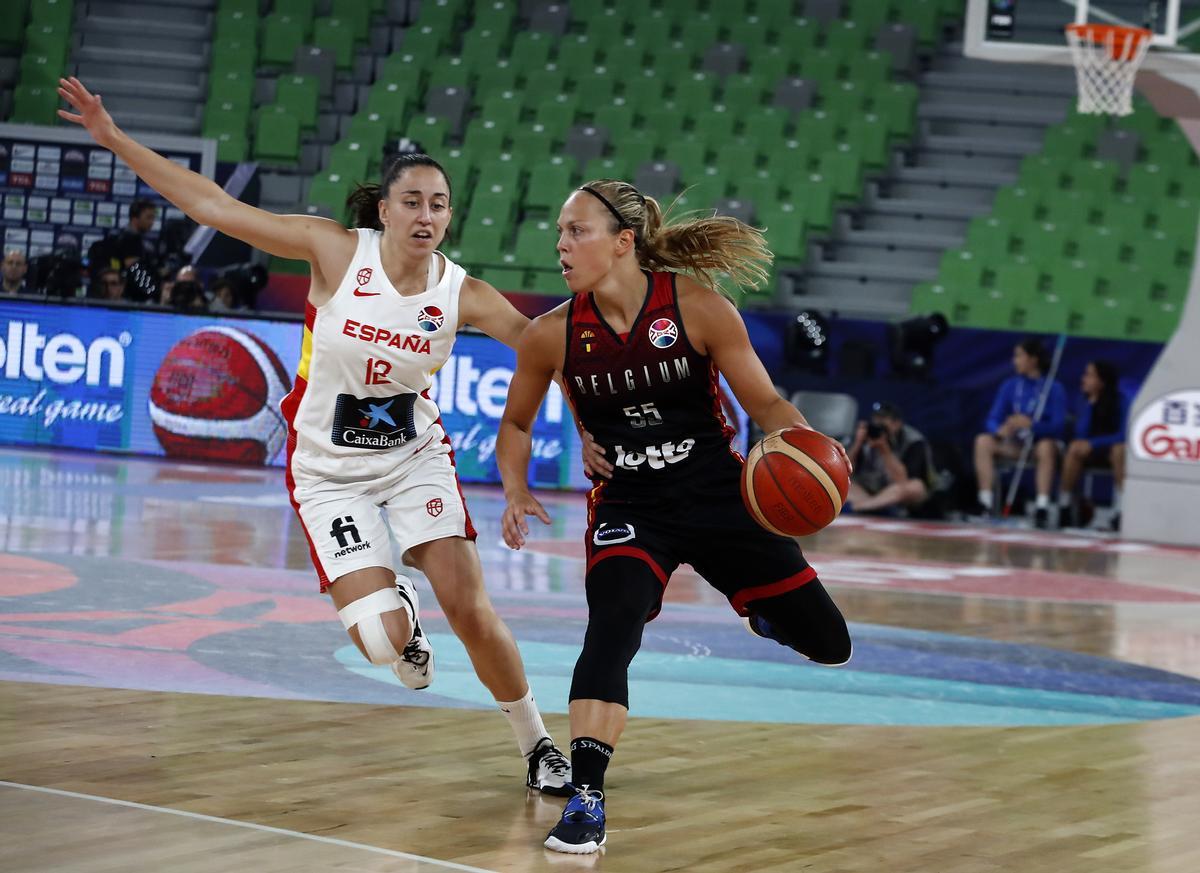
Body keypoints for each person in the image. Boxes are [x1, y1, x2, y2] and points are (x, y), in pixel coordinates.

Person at [56, 76, 577, 795]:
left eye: (438, 204)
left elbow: (547, 350)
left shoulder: (462, 294)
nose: (425, 215)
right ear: (385, 210)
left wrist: (597, 403)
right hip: (327, 472)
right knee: (379, 642)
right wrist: (113, 138)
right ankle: (403, 621)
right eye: (412, 201)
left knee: (470, 602)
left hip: (414, 458)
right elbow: (213, 205)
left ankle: (537, 744)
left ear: (449, 217)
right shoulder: (332, 251)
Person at [496, 179, 853, 854]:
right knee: (613, 623)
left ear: (623, 243)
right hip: (631, 505)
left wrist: (804, 447)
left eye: (577, 231)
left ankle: (765, 610)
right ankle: (587, 796)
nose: (561, 244)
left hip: (721, 497)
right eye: (560, 232)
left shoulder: (698, 309)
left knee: (831, 642)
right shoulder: (552, 335)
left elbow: (767, 404)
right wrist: (516, 489)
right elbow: (515, 423)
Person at [973, 337, 1066, 527]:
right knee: (983, 441)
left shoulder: (1054, 388)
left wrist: (1031, 425)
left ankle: (1042, 506)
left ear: (1033, 360)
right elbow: (992, 418)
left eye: (1019, 356)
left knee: (1046, 447)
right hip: (1015, 443)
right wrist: (1000, 430)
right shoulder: (1010, 386)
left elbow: (1058, 427)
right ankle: (985, 502)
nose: (1015, 361)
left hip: (1038, 445)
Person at [1058, 360, 1128, 529]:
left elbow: (1123, 435)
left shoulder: (1121, 401)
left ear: (1102, 381)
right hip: (1087, 452)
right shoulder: (1083, 400)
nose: (1084, 379)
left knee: (1120, 451)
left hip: (1110, 449)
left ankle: (1121, 510)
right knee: (1074, 448)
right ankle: (1064, 506)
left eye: (1089, 375)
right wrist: (1090, 405)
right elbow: (1080, 433)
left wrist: (1094, 443)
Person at [846, 401, 933, 515]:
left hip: (895, 493)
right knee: (845, 485)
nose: (878, 425)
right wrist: (857, 444)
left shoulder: (914, 441)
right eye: (876, 419)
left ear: (897, 423)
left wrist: (884, 449)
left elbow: (903, 482)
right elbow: (846, 471)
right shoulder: (864, 434)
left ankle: (860, 507)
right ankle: (875, 506)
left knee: (916, 486)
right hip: (867, 490)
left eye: (883, 420)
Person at [113, 198, 158, 268]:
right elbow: (132, 269)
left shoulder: (128, 236)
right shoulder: (129, 239)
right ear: (135, 219)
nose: (152, 222)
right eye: (148, 218)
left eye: (153, 218)